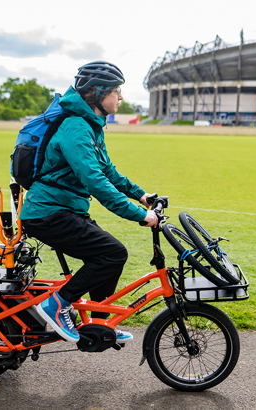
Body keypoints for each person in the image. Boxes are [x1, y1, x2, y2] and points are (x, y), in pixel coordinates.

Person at [20, 61, 158, 343]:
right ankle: (57, 304)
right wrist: (139, 215)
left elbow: (107, 170)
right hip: (48, 213)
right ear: (97, 92)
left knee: (111, 256)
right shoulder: (76, 127)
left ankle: (99, 322)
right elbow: (94, 181)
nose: (120, 98)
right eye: (116, 91)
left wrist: (141, 195)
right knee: (112, 253)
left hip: (66, 210)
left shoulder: (90, 126)